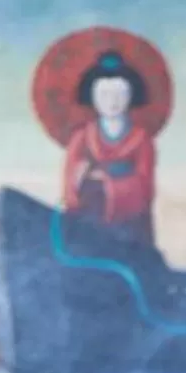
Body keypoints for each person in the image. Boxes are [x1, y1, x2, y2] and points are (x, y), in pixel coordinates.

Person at [63, 49, 158, 248]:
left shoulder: (141, 139)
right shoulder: (82, 137)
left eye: (120, 94)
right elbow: (70, 187)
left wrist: (104, 180)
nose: (112, 102)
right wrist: (85, 177)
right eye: (104, 94)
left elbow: (145, 188)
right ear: (92, 96)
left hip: (131, 225)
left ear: (132, 95)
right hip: (89, 222)